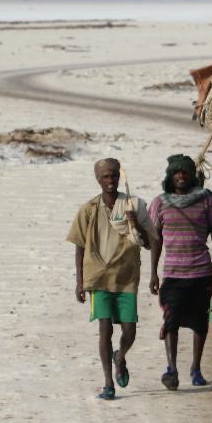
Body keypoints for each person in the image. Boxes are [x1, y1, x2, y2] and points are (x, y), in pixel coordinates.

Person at [67, 158, 156, 400]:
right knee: (104, 329)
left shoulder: (132, 206)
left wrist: (134, 222)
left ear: (119, 177)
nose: (110, 180)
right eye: (105, 176)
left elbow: (149, 242)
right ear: (98, 179)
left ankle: (121, 356)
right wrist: (80, 281)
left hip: (126, 277)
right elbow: (79, 246)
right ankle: (108, 383)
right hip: (98, 277)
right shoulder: (89, 209)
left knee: (130, 331)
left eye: (114, 176)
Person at [149, 155, 212, 390]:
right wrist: (153, 272)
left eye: (185, 172)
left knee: (199, 322)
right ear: (170, 176)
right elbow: (156, 239)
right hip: (173, 274)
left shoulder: (207, 199)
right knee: (170, 319)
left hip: (201, 272)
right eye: (176, 173)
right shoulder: (160, 203)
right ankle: (171, 368)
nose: (181, 176)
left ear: (192, 175)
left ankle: (195, 368)